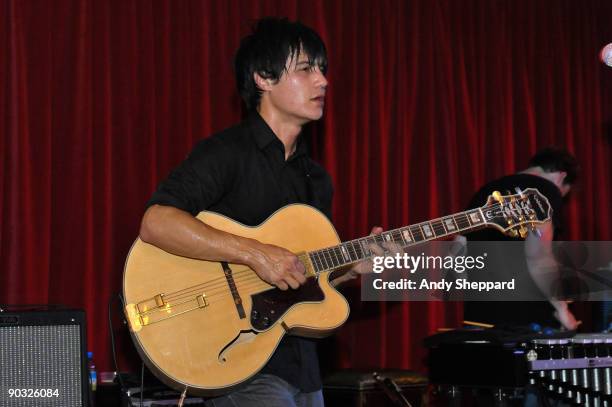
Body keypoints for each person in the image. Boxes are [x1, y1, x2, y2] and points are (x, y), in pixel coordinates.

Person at [139, 17, 389, 407]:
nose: (322, 81)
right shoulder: (226, 153)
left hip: (303, 369)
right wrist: (255, 254)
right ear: (263, 79)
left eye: (322, 70)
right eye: (306, 69)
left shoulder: (316, 179)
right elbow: (156, 222)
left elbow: (301, 280)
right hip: (240, 364)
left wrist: (352, 271)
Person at [462, 147, 580, 331]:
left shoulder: (484, 192)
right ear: (561, 177)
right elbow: (538, 254)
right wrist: (562, 308)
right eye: (563, 193)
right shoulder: (545, 190)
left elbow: (458, 249)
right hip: (526, 319)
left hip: (479, 316)